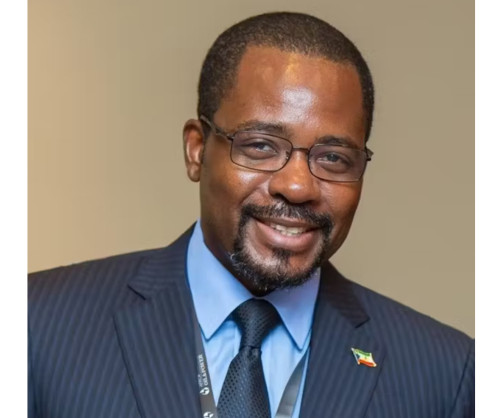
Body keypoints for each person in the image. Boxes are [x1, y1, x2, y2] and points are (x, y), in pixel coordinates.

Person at [28, 12, 474, 418]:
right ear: (197, 150)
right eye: (260, 146)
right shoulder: (36, 324)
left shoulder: (445, 374)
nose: (297, 186)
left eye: (333, 158)